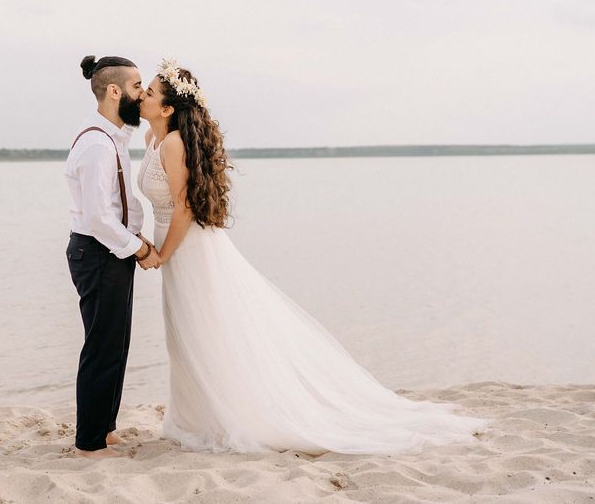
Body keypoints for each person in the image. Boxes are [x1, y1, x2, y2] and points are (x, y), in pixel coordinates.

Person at [135, 58, 493, 455]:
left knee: (204, 330)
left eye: (149, 92)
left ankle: (222, 416)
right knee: (186, 332)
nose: (142, 96)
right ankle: (195, 415)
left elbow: (184, 207)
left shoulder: (172, 143)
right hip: (176, 245)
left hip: (189, 248)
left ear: (167, 108)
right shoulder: (153, 140)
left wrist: (163, 255)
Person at [64, 55, 163, 459]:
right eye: (138, 86)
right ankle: (89, 439)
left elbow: (123, 204)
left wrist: (137, 234)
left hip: (111, 250)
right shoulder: (95, 145)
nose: (141, 95)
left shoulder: (115, 139)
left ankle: (105, 427)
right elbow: (98, 217)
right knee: (101, 346)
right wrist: (138, 247)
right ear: (114, 91)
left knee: (116, 342)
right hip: (97, 252)